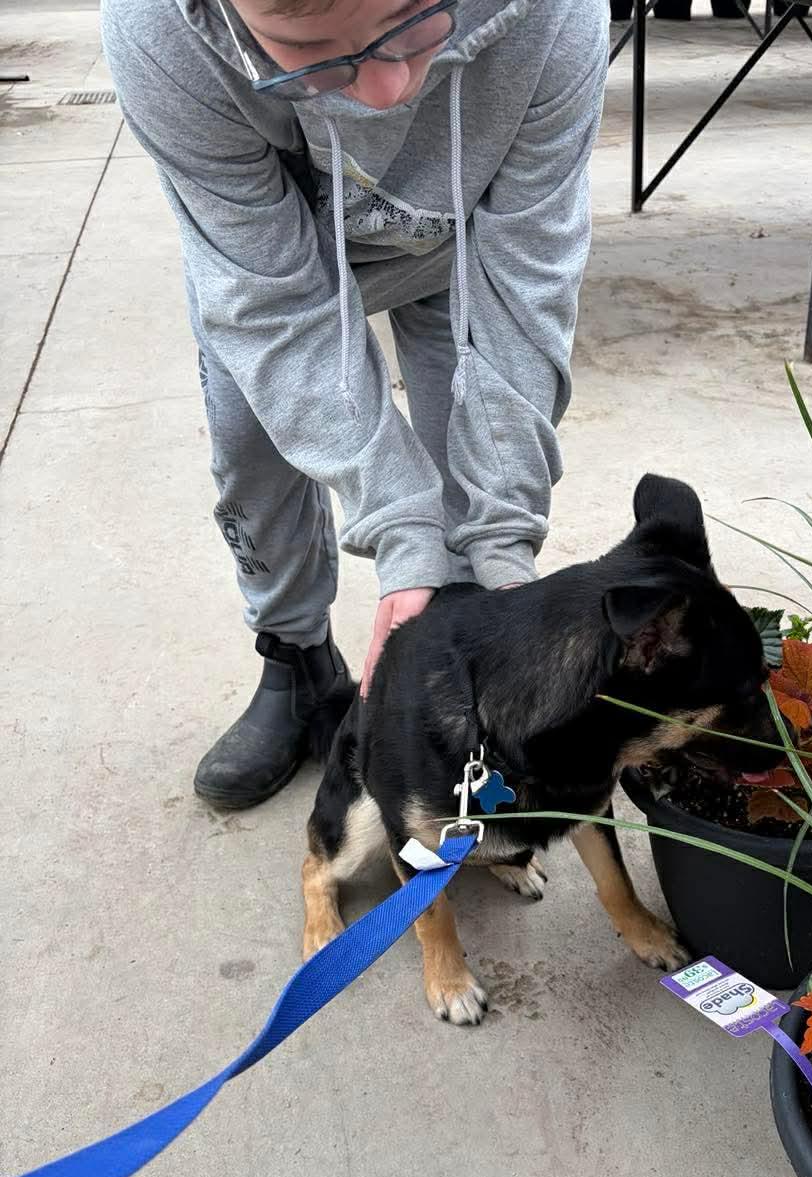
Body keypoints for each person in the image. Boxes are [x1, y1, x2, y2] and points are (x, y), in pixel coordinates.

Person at [103, 0, 609, 807]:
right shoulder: (158, 32)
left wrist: (503, 539)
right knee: (252, 456)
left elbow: (529, 276)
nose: (382, 92)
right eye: (311, 54)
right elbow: (271, 307)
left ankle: (460, 685)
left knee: (466, 498)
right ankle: (294, 659)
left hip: (463, 258)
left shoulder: (554, 16)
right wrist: (398, 524)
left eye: (414, 20)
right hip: (279, 267)